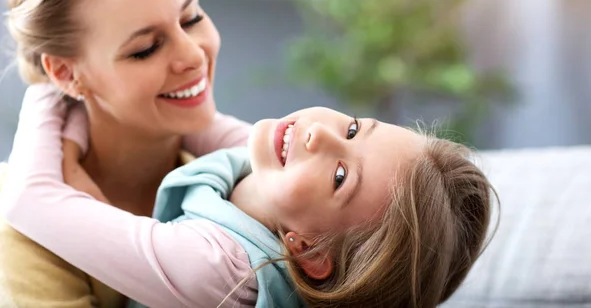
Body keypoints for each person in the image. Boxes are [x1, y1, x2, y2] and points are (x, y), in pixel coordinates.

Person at [2, 84, 497, 308]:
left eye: (341, 177)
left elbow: (28, 200)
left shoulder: (221, 271)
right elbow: (192, 122)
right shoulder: (273, 171)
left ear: (309, 251)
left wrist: (49, 83)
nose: (319, 136)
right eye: (352, 127)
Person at [0, 0, 252, 307]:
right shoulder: (19, 226)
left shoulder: (234, 185)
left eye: (192, 18)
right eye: (146, 48)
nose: (192, 55)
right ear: (66, 74)